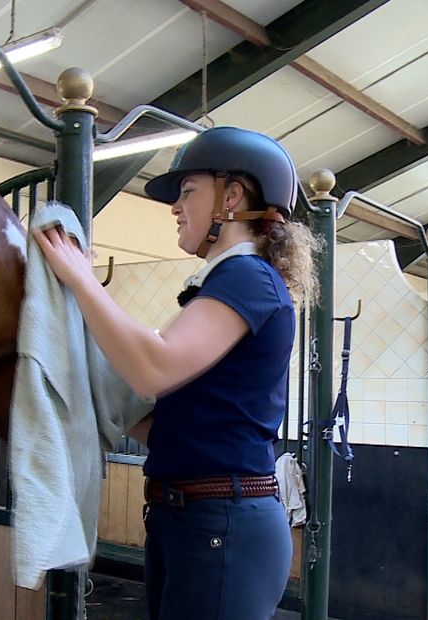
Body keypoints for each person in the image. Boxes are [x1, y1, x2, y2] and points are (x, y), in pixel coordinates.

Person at [33, 126, 319, 619]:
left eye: (188, 191)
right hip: (189, 520)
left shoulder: (248, 278)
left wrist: (80, 278)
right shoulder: (222, 285)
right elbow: (168, 422)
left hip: (220, 524)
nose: (175, 206)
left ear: (232, 196)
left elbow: (153, 369)